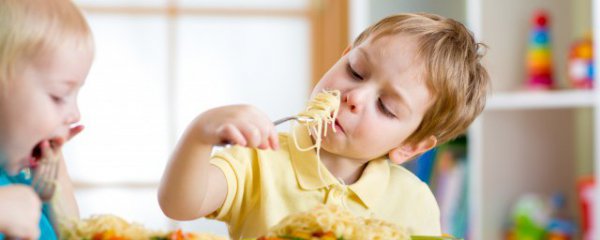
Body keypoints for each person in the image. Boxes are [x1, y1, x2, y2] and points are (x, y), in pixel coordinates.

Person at [158, 12, 489, 239]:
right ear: (343, 56)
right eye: (356, 71)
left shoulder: (414, 201)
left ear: (411, 145)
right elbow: (179, 204)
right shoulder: (258, 161)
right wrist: (200, 134)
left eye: (385, 106)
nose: (354, 96)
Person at [0, 0, 94, 239]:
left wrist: (56, 192)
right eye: (59, 96)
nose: (75, 115)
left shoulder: (22, 180)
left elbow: (72, 234)